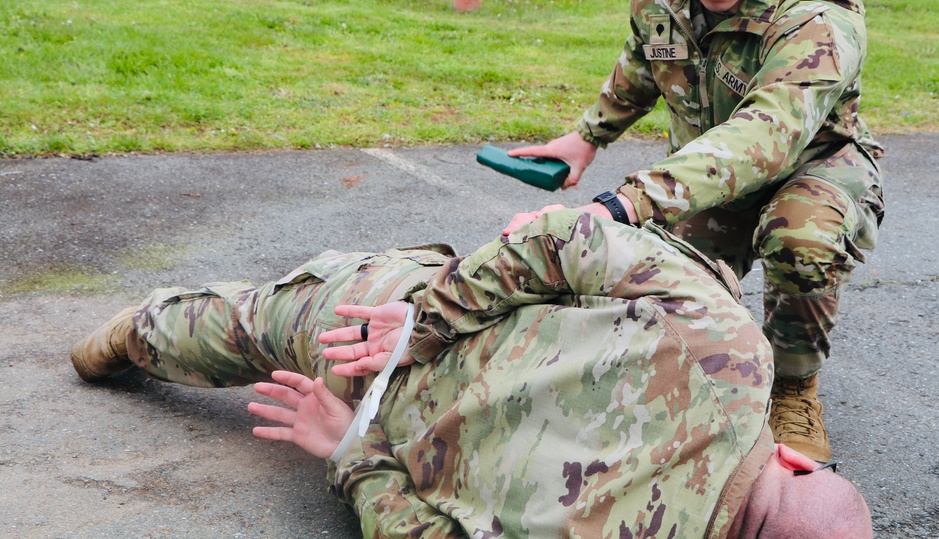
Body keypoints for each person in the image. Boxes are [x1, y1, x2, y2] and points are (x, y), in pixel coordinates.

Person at [71, 210, 872, 538]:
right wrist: (350, 447)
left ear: (797, 460)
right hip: (370, 402)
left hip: (389, 316)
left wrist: (428, 318)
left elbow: (565, 237)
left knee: (244, 319)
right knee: (261, 326)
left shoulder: (727, 338)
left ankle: (125, 335)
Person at [506, 0, 884, 462]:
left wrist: (626, 204)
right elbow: (649, 52)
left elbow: (766, 136)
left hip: (809, 170)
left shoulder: (819, 17)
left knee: (801, 237)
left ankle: (793, 386)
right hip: (706, 177)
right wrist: (589, 136)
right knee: (649, 298)